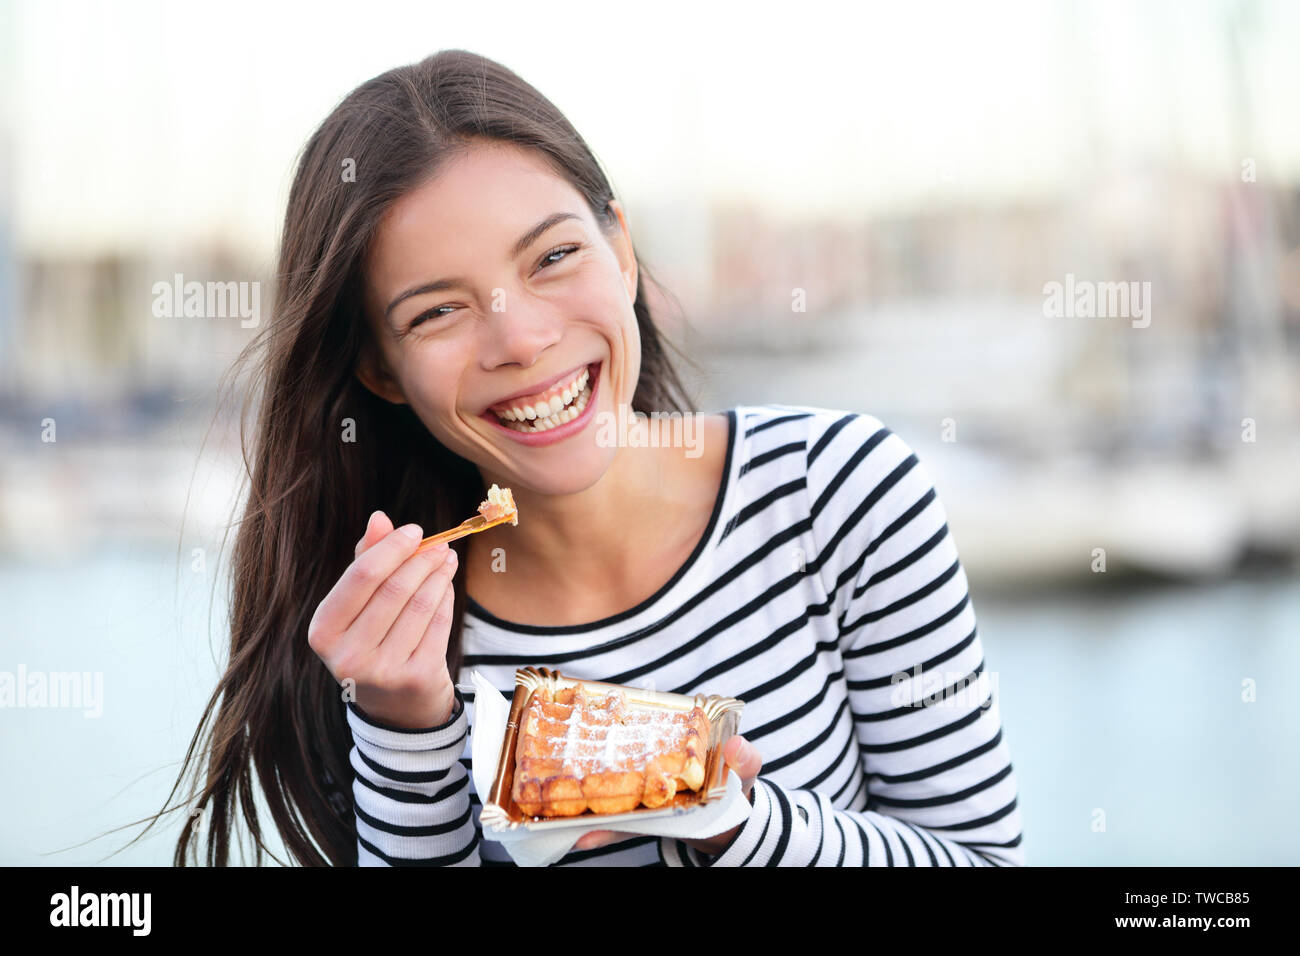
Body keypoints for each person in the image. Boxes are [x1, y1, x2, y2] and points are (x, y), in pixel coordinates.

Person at [148, 49, 1025, 866]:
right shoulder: (384, 647)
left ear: (623, 250)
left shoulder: (840, 495)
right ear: (379, 367)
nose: (522, 339)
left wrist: (728, 819)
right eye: (438, 313)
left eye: (555, 256)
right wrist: (405, 727)